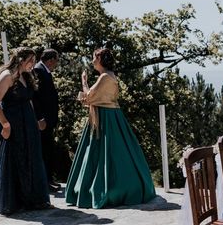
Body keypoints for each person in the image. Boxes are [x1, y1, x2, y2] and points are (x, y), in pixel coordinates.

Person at [65, 48, 156, 208]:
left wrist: (84, 82)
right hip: (108, 116)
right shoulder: (108, 76)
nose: (92, 61)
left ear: (100, 60)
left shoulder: (105, 77)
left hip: (105, 118)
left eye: (94, 58)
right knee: (113, 151)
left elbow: (89, 97)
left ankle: (109, 189)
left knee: (105, 153)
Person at [0, 47, 52, 215]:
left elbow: (29, 101)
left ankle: (31, 199)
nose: (33, 64)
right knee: (15, 159)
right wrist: (5, 124)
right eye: (30, 61)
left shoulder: (26, 76)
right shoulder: (7, 76)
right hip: (12, 124)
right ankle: (15, 201)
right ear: (20, 60)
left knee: (30, 158)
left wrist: (36, 119)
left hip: (27, 124)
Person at [33, 48, 60, 192]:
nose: (56, 64)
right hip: (43, 120)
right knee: (44, 150)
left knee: (49, 149)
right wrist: (40, 118)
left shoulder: (44, 71)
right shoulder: (38, 70)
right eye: (56, 61)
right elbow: (35, 97)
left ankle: (49, 179)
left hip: (49, 119)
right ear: (50, 60)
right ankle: (45, 181)